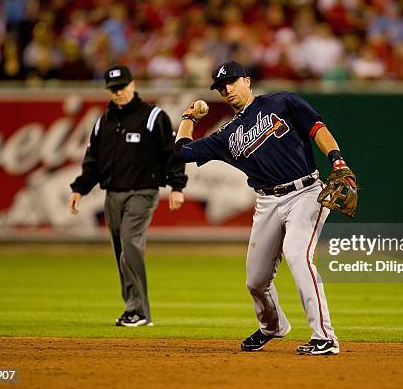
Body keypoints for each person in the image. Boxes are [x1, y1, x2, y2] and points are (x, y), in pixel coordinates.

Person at [175, 61, 357, 355]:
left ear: (247, 81)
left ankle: (324, 337)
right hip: (267, 202)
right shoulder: (226, 135)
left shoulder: (282, 101)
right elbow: (180, 151)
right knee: (256, 281)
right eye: (221, 87)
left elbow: (317, 128)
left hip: (305, 193)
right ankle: (272, 326)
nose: (227, 89)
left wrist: (337, 160)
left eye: (232, 82)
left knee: (298, 255)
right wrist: (188, 116)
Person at [68, 65, 187, 327]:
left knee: (130, 243)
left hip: (142, 192)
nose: (118, 92)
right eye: (113, 89)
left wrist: (177, 187)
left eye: (121, 86)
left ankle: (139, 311)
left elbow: (171, 154)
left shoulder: (153, 116)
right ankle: (132, 309)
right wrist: (80, 188)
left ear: (132, 85)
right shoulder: (104, 122)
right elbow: (93, 161)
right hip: (112, 194)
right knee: (121, 249)